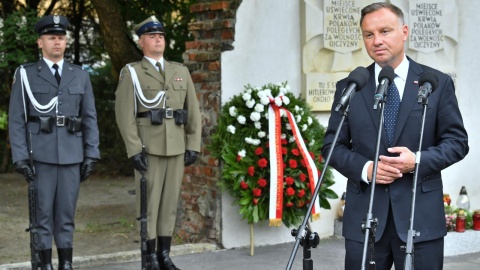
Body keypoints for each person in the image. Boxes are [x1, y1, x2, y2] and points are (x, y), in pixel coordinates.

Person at [322, 2, 469, 270]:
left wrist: (418, 160)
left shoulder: (436, 83)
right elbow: (332, 146)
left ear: (404, 32)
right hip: (364, 219)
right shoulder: (351, 87)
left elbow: (457, 143)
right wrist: (367, 168)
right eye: (369, 34)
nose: (376, 41)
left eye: (385, 31)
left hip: (419, 217)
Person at [8, 15, 100, 269]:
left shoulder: (79, 75)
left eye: (61, 38)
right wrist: (20, 157)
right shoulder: (26, 75)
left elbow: (90, 117)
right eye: (51, 38)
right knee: (43, 215)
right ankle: (45, 264)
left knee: (66, 215)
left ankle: (66, 264)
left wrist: (92, 153)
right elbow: (17, 119)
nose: (57, 42)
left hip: (72, 154)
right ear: (40, 42)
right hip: (41, 155)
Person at [115, 15, 201, 270]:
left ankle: (164, 254)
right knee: (149, 205)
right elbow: (124, 115)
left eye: (161, 36)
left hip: (175, 146)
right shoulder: (131, 72)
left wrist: (193, 144)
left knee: (169, 205)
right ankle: (149, 257)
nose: (158, 40)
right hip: (148, 147)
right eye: (152, 36)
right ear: (141, 41)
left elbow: (193, 111)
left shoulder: (180, 71)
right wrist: (133, 149)